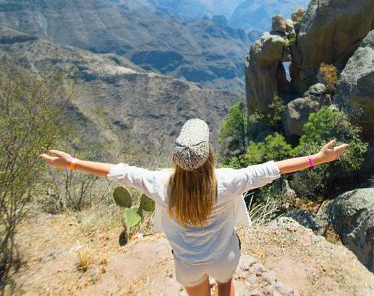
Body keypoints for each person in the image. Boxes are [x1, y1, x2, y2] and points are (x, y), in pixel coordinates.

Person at [39, 118, 350, 296]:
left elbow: (120, 172)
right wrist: (317, 158)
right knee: (225, 282)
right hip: (223, 259)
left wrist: (73, 163)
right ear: (209, 155)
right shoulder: (227, 181)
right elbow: (272, 169)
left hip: (187, 264)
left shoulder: (161, 184)